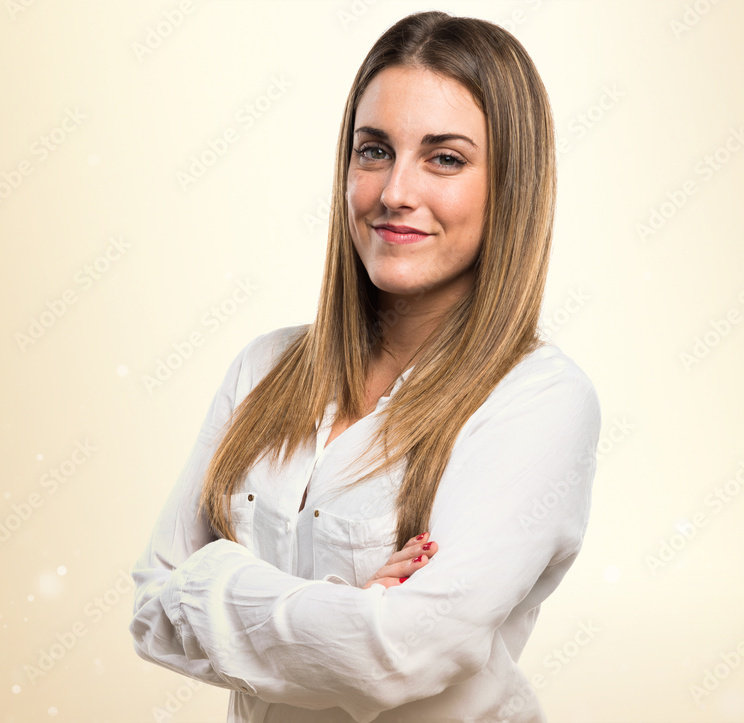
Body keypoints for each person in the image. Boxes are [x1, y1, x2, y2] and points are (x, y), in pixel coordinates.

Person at [130, 10, 601, 723]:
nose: (394, 192)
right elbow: (148, 605)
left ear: (511, 185)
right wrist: (348, 608)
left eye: (445, 158)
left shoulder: (540, 401)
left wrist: (210, 577)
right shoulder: (264, 367)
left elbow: (403, 653)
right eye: (374, 150)